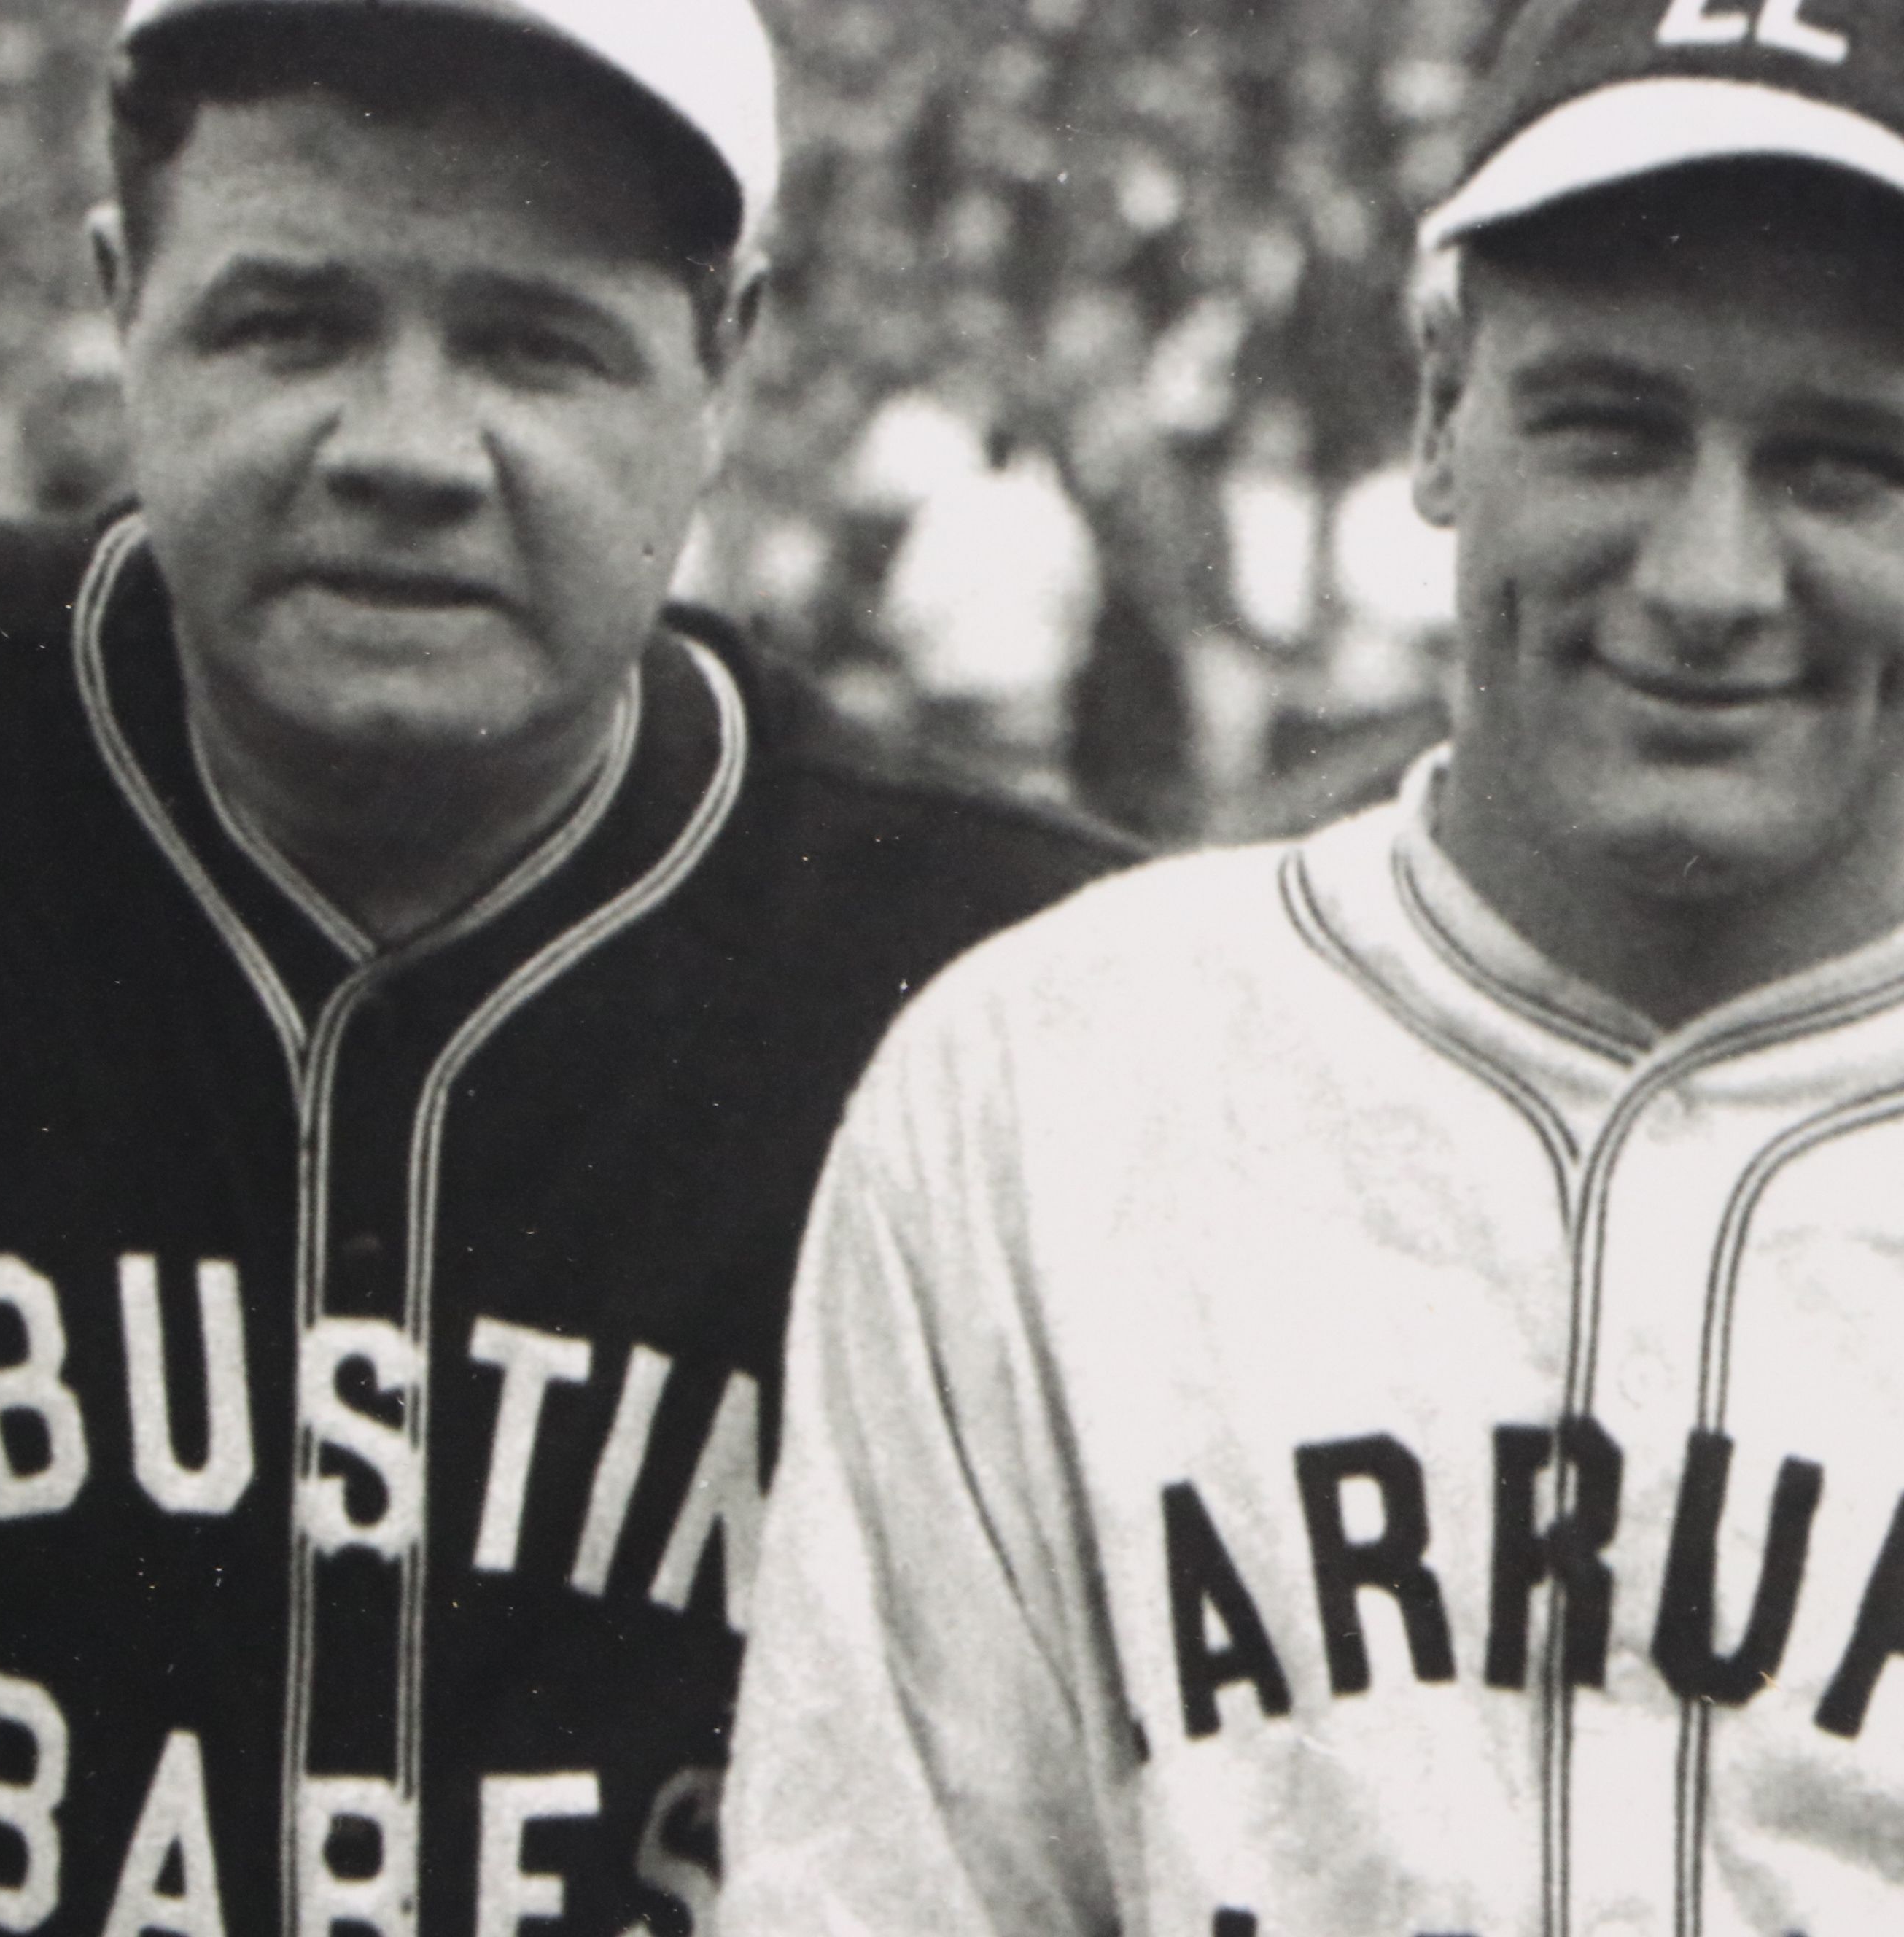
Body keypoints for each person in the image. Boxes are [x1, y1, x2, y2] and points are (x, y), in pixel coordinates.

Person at [719, 1, 1904, 1932]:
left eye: (1847, 463)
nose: (1708, 579)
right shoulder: (1043, 1087)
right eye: (1609, 428)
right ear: (1441, 408)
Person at [0, 1, 1131, 1930]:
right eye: (290, 323)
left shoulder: (1009, 991)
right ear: (122, 298)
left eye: (533, 344)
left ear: (725, 355)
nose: (406, 450)